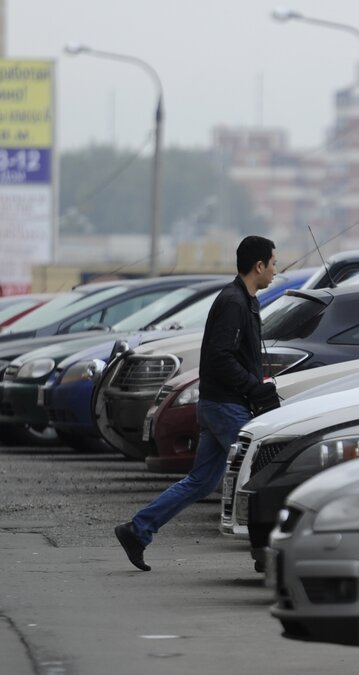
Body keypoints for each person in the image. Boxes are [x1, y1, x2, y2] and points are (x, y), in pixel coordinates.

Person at [114, 236, 280, 571]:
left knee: (201, 481)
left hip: (220, 404)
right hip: (224, 407)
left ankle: (137, 530)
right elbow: (220, 357)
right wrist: (253, 387)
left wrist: (257, 385)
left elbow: (236, 355)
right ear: (258, 266)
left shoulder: (246, 301)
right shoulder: (234, 302)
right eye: (274, 263)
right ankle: (269, 552)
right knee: (261, 471)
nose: (276, 270)